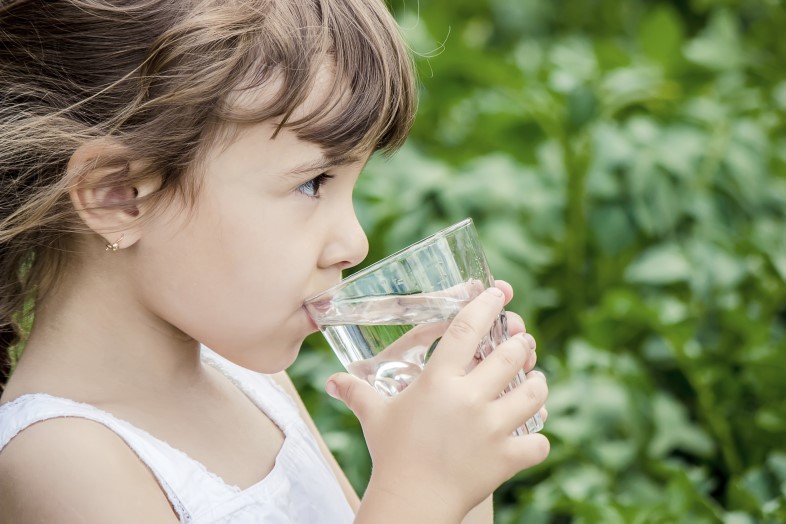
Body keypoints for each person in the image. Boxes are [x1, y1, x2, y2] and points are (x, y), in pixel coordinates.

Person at [0, 0, 550, 522]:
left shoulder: (251, 384)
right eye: (313, 183)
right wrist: (421, 489)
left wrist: (458, 471)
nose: (354, 244)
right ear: (119, 195)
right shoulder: (59, 458)